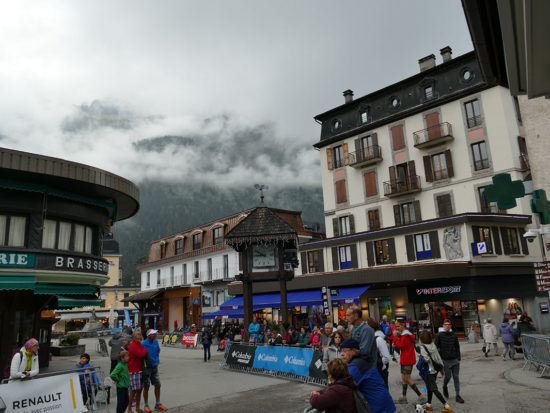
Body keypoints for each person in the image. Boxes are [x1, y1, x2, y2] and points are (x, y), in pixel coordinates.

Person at [340, 338, 396, 413]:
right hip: (383, 402)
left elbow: (343, 387)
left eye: (344, 351)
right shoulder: (363, 359)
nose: (342, 354)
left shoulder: (356, 365)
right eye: (341, 351)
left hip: (377, 406)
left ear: (353, 350)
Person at [418, 331, 452, 413]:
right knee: (429, 387)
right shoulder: (433, 345)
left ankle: (446, 406)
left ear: (422, 339)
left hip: (429, 371)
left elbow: (426, 360)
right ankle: (429, 404)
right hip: (435, 370)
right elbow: (438, 357)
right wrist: (441, 369)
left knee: (434, 389)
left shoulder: (423, 347)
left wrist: (420, 356)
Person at [393, 321, 424, 404]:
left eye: (398, 326)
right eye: (396, 327)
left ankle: (421, 397)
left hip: (407, 360)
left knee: (407, 378)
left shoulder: (405, 335)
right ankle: (404, 397)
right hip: (405, 359)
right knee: (403, 377)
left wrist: (395, 337)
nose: (397, 328)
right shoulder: (405, 334)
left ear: (403, 326)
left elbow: (400, 346)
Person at [435, 319, 464, 404]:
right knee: (448, 376)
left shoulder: (454, 335)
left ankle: (458, 395)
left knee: (456, 377)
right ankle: (444, 386)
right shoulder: (439, 335)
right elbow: (435, 348)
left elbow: (457, 346)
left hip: (455, 360)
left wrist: (458, 357)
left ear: (450, 326)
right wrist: (439, 359)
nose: (447, 326)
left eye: (449, 324)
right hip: (445, 360)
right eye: (445, 324)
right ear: (443, 326)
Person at [142, 329, 168, 412]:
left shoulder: (156, 342)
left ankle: (158, 403)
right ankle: (146, 405)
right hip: (146, 368)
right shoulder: (143, 344)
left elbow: (158, 351)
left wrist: (156, 360)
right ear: (149, 335)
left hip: (154, 367)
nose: (156, 334)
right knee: (146, 386)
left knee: (158, 385)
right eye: (154, 333)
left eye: (156, 333)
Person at [367, 318, 391, 389]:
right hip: (374, 370)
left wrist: (376, 363)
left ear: (372, 328)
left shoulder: (379, 339)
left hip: (380, 371)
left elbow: (386, 357)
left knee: (382, 390)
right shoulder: (371, 338)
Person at [128, 330, 148, 413]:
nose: (140, 336)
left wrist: (144, 351)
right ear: (134, 336)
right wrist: (145, 350)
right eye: (139, 335)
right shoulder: (133, 345)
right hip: (134, 370)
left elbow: (142, 352)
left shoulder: (139, 344)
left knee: (139, 390)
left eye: (140, 334)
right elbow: (141, 354)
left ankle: (137, 407)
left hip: (140, 369)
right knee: (133, 391)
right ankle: (129, 408)